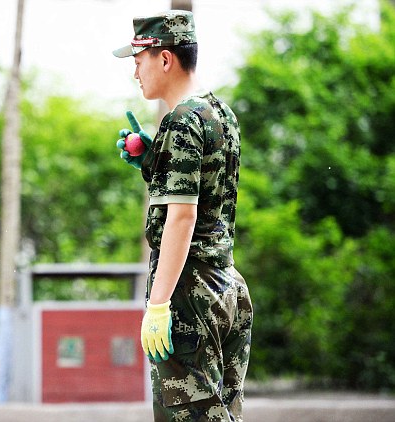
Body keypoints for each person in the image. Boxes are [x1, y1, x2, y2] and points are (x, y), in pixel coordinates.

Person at [113, 11, 253, 422]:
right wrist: (151, 156)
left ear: (165, 58)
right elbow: (210, 191)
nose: (135, 71)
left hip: (188, 292)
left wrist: (158, 305)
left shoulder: (181, 120)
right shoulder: (221, 115)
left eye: (139, 59)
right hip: (227, 287)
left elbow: (182, 218)